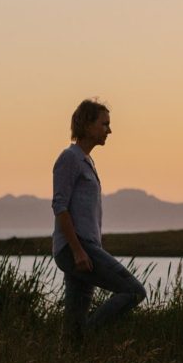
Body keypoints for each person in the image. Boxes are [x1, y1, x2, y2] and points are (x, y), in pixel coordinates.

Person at [52, 98, 146, 343]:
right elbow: (59, 207)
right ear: (87, 124)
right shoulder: (69, 158)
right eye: (104, 124)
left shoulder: (87, 161)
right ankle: (88, 335)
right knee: (134, 291)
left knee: (73, 322)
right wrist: (78, 251)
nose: (109, 130)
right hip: (77, 248)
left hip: (87, 247)